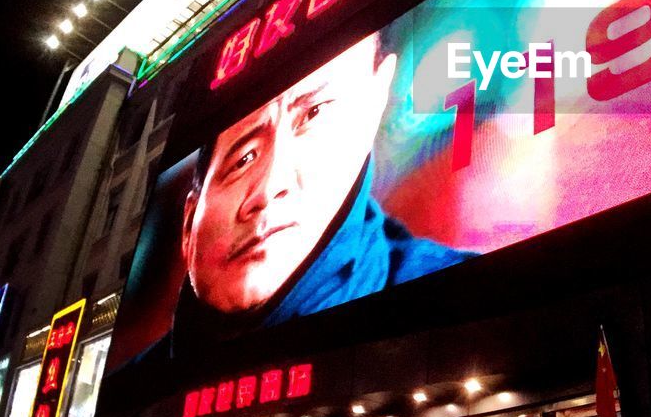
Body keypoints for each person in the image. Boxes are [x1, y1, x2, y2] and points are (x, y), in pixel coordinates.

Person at [167, 32, 472, 352]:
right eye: (244, 159)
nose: (269, 188)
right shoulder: (135, 384)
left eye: (313, 114)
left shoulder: (464, 300)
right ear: (188, 226)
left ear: (376, 97)